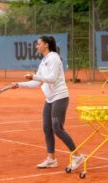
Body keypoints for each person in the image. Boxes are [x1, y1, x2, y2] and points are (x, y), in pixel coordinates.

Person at [11, 36, 85, 170]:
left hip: (60, 97)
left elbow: (51, 78)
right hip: (50, 99)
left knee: (57, 128)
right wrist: (18, 84)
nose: (36, 46)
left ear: (46, 44)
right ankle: (51, 159)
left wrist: (34, 76)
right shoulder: (44, 61)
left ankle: (77, 156)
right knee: (47, 128)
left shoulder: (54, 58)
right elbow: (36, 83)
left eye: (38, 44)